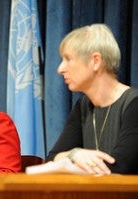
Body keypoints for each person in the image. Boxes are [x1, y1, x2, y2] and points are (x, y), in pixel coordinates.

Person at [46, 24, 138, 175]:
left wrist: (68, 160)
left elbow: (119, 166)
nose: (60, 68)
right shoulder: (83, 106)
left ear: (95, 61)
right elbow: (51, 159)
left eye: (68, 59)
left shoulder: (134, 104)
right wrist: (74, 154)